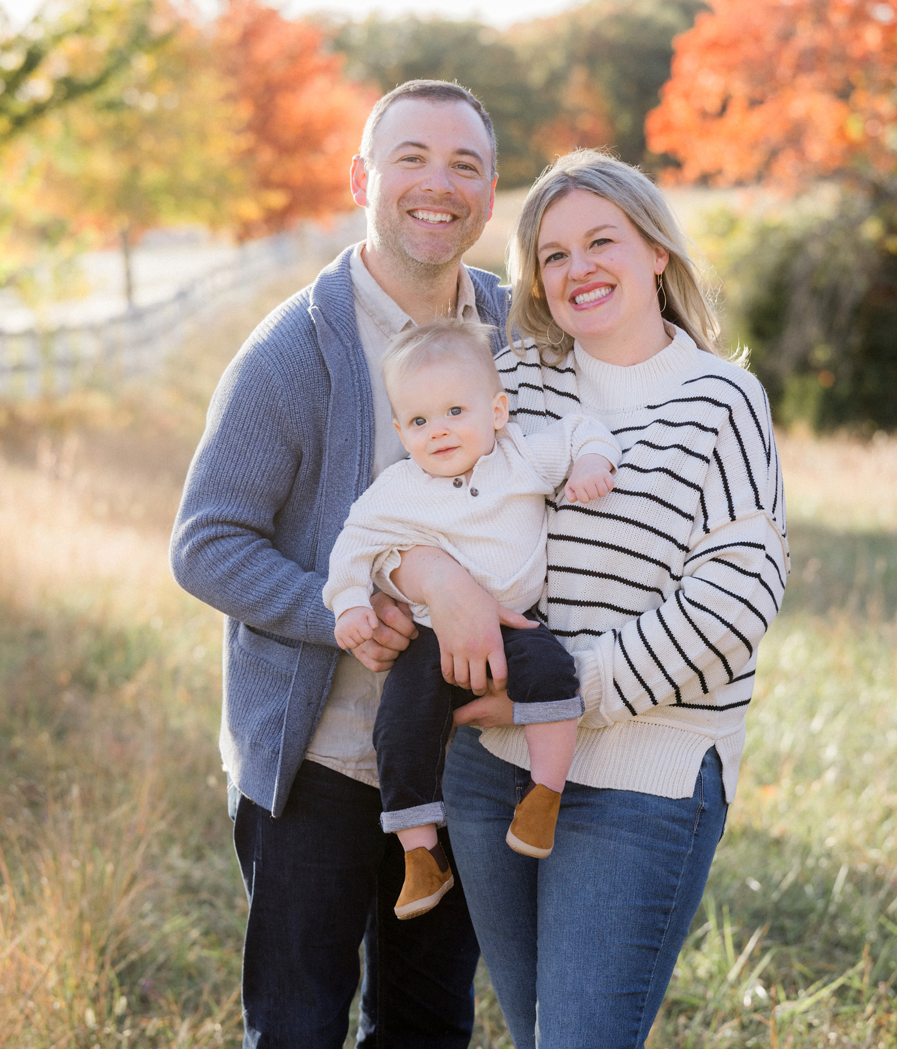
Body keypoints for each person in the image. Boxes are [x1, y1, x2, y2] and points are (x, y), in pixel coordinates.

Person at [388, 150, 790, 1049]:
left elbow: (733, 602)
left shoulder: (722, 401)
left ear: (656, 251)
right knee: (535, 1033)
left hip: (642, 779)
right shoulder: (517, 383)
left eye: (601, 240)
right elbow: (413, 503)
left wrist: (567, 688)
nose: (580, 269)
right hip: (491, 770)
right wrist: (430, 574)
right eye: (555, 254)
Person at [169, 80, 525, 1048]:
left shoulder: (517, 339)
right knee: (295, 1029)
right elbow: (204, 542)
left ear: (491, 195)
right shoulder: (295, 350)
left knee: (425, 1026)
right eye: (410, 157)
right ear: (362, 177)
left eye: (464, 165)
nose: (437, 184)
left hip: (463, 759)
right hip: (319, 763)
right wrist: (340, 613)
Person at [323, 318, 619, 919]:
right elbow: (352, 546)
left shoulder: (520, 458)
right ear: (403, 431)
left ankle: (544, 797)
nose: (440, 432)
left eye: (456, 411)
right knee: (400, 725)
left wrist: (591, 462)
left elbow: (583, 430)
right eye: (421, 421)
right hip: (432, 638)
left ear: (497, 410)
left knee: (554, 678)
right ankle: (421, 855)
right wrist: (350, 604)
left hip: (520, 623)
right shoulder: (399, 490)